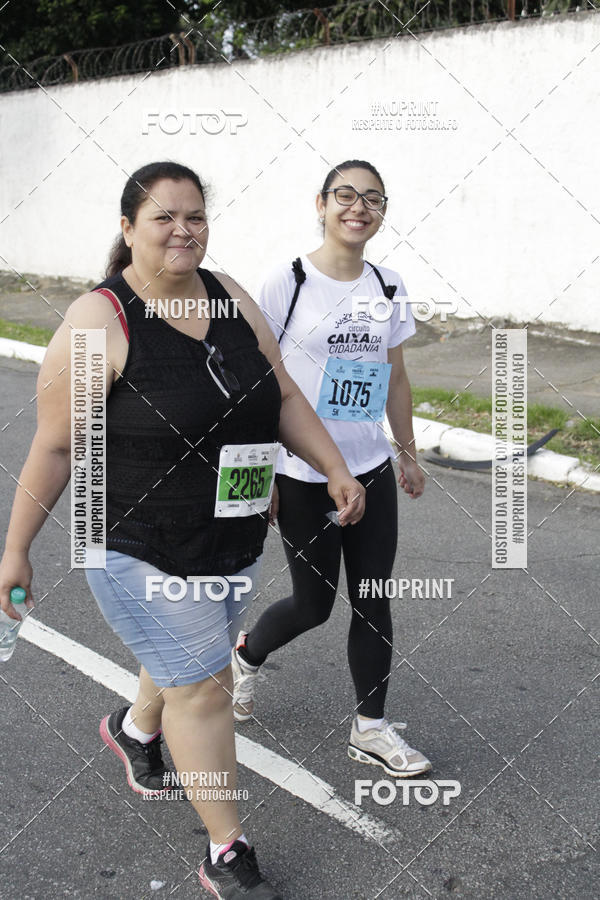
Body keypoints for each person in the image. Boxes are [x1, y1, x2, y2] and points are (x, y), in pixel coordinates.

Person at [0, 161, 366, 900]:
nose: (183, 230)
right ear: (128, 227)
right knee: (202, 686)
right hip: (133, 539)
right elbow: (58, 447)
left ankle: (136, 729)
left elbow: (281, 395)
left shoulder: (228, 295)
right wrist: (15, 550)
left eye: (195, 215)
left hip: (229, 534)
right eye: (163, 217)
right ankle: (227, 851)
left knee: (184, 656)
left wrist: (332, 465)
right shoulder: (100, 320)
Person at [232, 159, 432, 779]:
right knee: (313, 604)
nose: (358, 207)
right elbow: (257, 381)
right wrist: (261, 472)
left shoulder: (388, 286)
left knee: (373, 598)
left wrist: (406, 452)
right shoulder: (287, 282)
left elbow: (395, 377)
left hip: (368, 467)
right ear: (320, 204)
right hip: (301, 472)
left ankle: (370, 728)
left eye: (373, 198)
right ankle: (247, 654)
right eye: (345, 194)